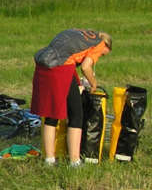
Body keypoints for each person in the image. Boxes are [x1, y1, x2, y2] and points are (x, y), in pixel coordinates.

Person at [30, 29, 112, 167]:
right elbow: (86, 67)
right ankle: (75, 161)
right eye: (102, 55)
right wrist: (93, 83)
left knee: (51, 115)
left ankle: (49, 160)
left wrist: (77, 83)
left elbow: (70, 55)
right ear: (106, 46)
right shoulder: (99, 44)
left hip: (45, 66)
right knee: (76, 115)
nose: (99, 58)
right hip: (61, 70)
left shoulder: (84, 35)